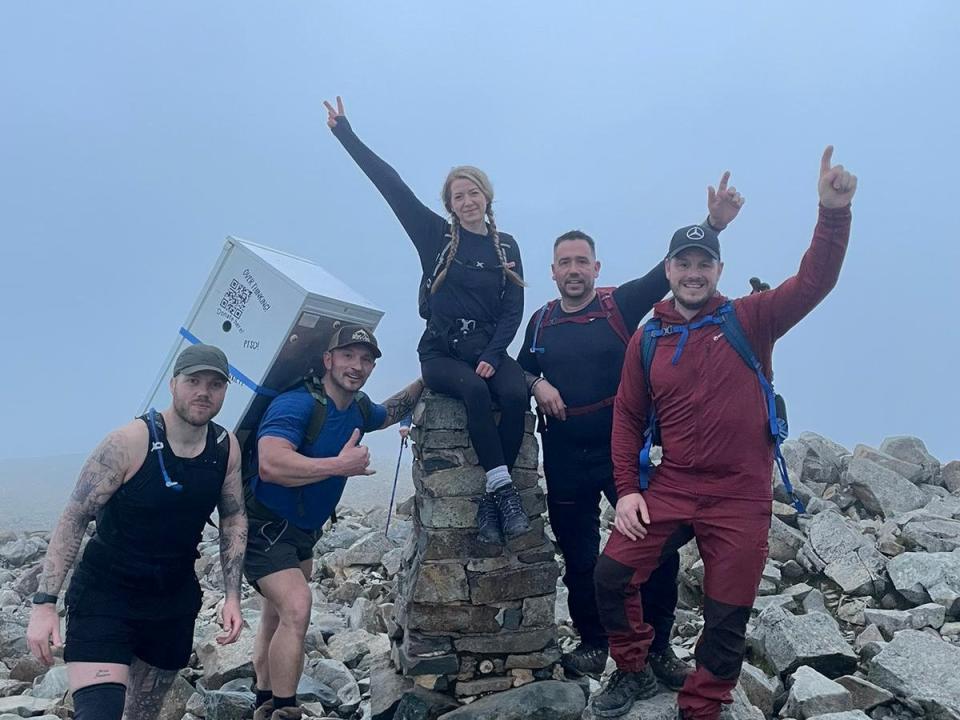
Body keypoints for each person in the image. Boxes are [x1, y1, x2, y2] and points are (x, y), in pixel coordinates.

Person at [591, 147, 857, 720]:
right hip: (674, 484)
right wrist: (629, 491)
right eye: (683, 264)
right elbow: (628, 419)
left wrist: (832, 213)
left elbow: (814, 282)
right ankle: (633, 667)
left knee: (727, 613)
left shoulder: (751, 317)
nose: (693, 272)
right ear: (669, 271)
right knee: (610, 575)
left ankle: (702, 707)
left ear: (718, 270)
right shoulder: (648, 340)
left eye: (703, 263)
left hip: (741, 494)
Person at [518, 176, 744, 684]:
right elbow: (516, 369)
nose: (574, 270)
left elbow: (668, 275)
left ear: (596, 269)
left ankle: (659, 647)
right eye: (565, 262)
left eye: (583, 262)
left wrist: (713, 224)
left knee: (654, 552)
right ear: (552, 271)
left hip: (624, 453)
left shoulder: (617, 305)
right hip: (565, 454)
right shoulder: (540, 321)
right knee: (578, 555)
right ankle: (595, 643)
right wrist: (537, 383)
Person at [324, 96, 531, 545]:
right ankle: (505, 492)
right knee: (475, 391)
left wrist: (495, 355)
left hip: (488, 349)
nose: (467, 200)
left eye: (473, 191)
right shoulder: (435, 236)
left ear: (486, 196)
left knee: (515, 395)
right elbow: (392, 186)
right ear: (450, 205)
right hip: (441, 354)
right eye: (458, 196)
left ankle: (495, 496)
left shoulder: (507, 246)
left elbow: (513, 307)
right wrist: (346, 133)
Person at [25, 344, 247, 720]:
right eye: (193, 381)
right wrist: (45, 603)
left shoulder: (225, 447)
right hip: (106, 598)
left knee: (143, 715)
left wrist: (231, 596)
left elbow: (233, 516)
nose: (203, 392)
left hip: (171, 603)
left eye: (215, 384)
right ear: (173, 383)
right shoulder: (128, 442)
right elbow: (75, 516)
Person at [245, 325, 423, 720]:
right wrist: (340, 466)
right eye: (347, 356)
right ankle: (287, 711)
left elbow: (390, 411)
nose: (356, 366)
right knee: (296, 606)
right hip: (265, 528)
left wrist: (430, 374)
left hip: (303, 533)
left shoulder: (357, 407)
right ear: (328, 360)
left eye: (366, 359)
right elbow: (271, 463)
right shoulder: (297, 405)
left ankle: (264, 700)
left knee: (275, 616)